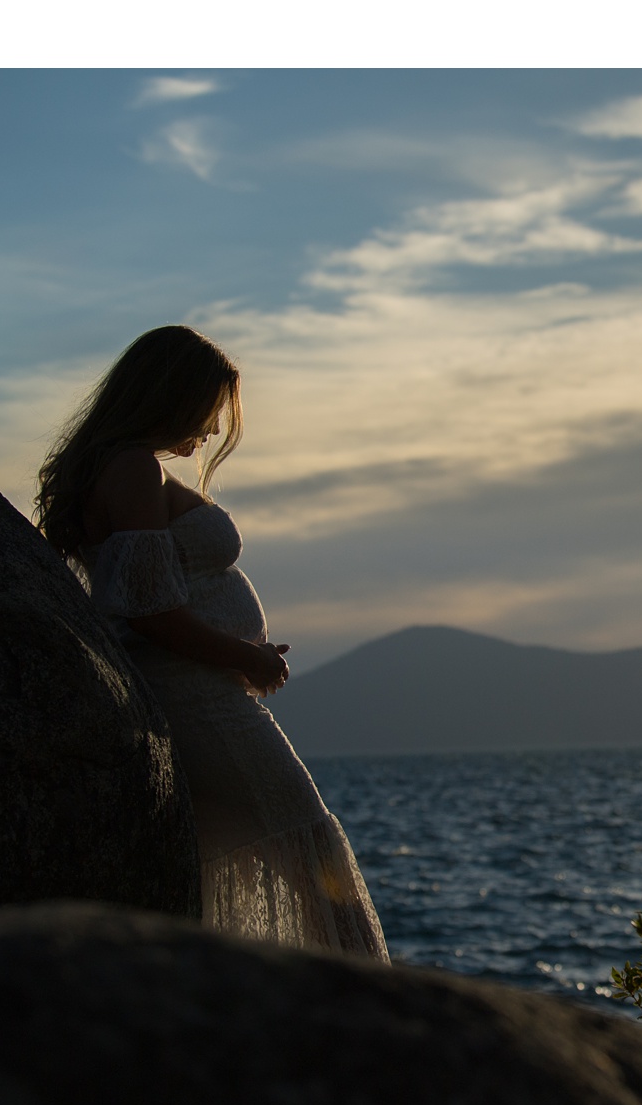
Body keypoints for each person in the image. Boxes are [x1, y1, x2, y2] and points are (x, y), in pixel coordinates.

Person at [35, 325, 390, 962]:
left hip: (202, 690)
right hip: (196, 699)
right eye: (207, 408)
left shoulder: (118, 467)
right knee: (305, 841)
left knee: (260, 853)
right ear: (171, 395)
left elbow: (157, 599)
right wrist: (244, 655)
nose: (210, 427)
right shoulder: (133, 469)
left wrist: (239, 651)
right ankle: (369, 1001)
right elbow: (151, 614)